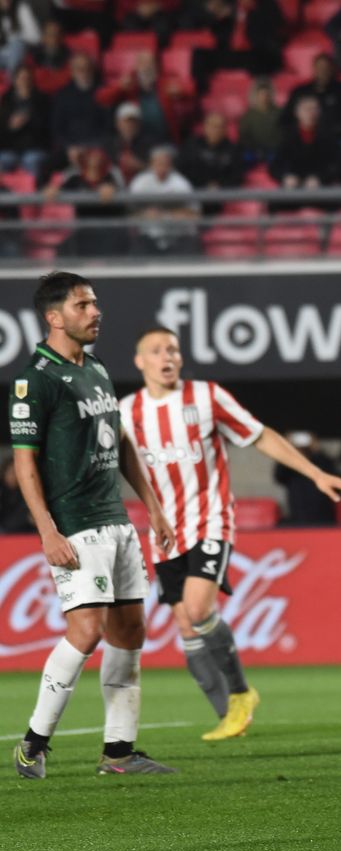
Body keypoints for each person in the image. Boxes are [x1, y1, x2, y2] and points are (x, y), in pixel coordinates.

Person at [120, 328, 341, 741]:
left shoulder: (207, 397)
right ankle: (230, 717)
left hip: (211, 518)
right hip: (163, 530)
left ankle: (241, 694)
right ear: (139, 361)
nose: (167, 357)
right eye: (157, 351)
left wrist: (316, 473)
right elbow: (120, 460)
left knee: (197, 609)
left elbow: (260, 434)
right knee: (184, 625)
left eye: (173, 349)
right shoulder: (127, 411)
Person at [8, 272, 178, 778]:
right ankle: (33, 744)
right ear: (54, 317)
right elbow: (24, 462)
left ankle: (119, 752)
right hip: (75, 524)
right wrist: (46, 530)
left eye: (95, 303)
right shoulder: (34, 379)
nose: (95, 312)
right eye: (83, 305)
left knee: (130, 632)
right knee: (86, 630)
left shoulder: (97, 367)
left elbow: (119, 441)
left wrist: (153, 506)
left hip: (116, 521)